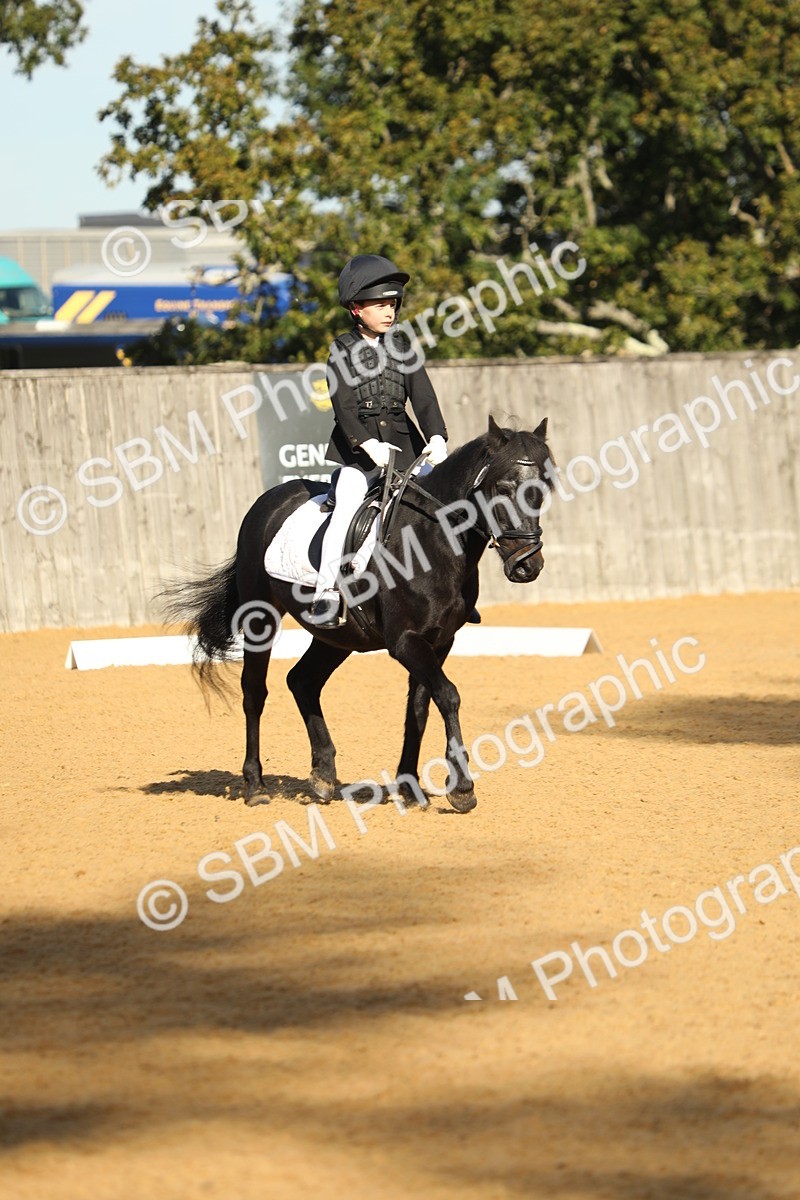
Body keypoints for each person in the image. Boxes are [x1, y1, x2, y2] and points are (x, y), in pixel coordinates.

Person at [310, 253, 449, 628]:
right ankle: (327, 591)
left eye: (393, 304)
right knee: (348, 505)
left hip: (405, 450)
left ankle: (451, 590)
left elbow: (424, 397)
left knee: (438, 511)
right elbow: (343, 405)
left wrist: (436, 435)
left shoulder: (404, 347)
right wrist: (366, 445)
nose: (390, 311)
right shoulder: (341, 349)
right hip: (359, 455)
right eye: (381, 304)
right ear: (357, 308)